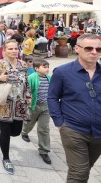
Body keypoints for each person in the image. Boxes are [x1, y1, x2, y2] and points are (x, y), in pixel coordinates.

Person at [48, 34, 101, 182]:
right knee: (79, 172)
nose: (94, 52)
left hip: (98, 133)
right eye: (89, 48)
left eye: (99, 49)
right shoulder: (62, 72)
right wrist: (60, 123)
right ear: (77, 48)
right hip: (73, 129)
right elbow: (52, 97)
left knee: (85, 168)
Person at [0, 39, 31, 175]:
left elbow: (26, 82)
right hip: (3, 104)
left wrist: (28, 97)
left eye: (16, 48)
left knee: (16, 132)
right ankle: (6, 158)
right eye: (10, 49)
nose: (14, 51)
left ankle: (6, 137)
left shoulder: (23, 64)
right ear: (4, 51)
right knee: (5, 132)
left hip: (19, 104)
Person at [20, 58, 52, 165]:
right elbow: (25, 89)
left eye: (47, 67)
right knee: (30, 123)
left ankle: (44, 150)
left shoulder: (49, 78)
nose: (47, 69)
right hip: (33, 106)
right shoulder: (31, 77)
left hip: (46, 107)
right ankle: (24, 132)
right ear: (36, 68)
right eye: (44, 67)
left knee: (44, 129)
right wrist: (27, 100)